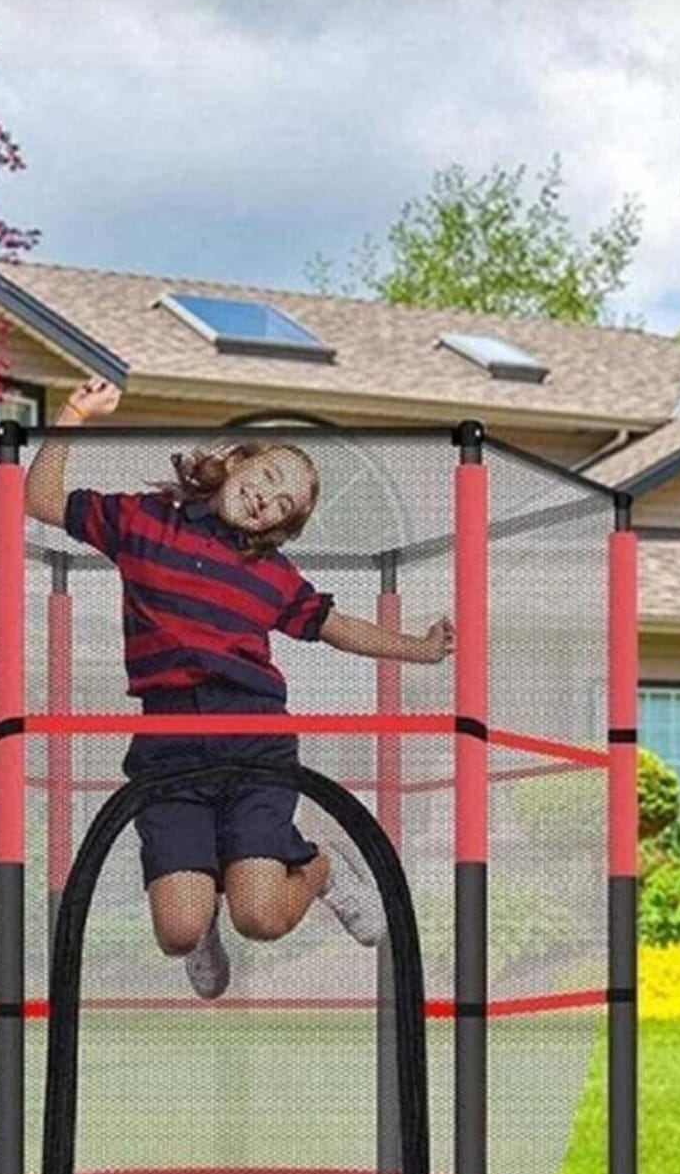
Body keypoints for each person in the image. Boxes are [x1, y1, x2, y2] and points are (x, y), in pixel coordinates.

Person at [25, 375, 454, 1000]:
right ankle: (201, 925)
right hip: (169, 744)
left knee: (260, 917)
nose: (266, 500)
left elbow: (336, 628)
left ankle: (321, 869)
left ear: (280, 527)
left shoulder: (272, 575)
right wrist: (73, 411)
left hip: (253, 740)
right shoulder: (142, 521)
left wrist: (420, 648)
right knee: (178, 930)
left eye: (283, 506)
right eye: (268, 479)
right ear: (235, 461)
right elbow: (40, 499)